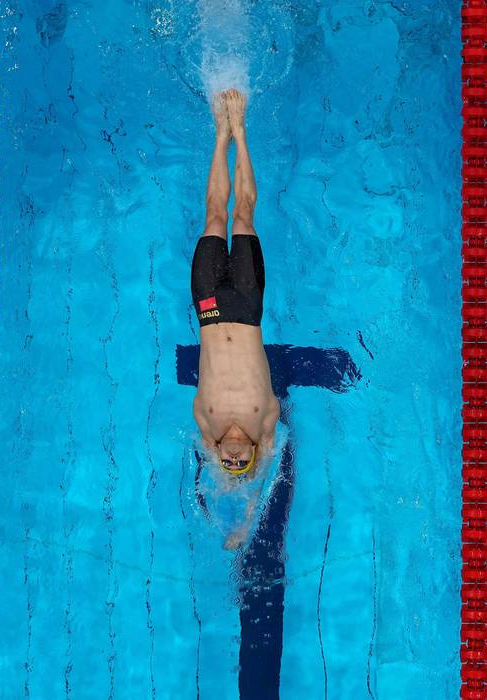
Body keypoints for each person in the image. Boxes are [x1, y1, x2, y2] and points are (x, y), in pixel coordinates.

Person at [191, 89, 280, 546]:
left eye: (226, 463)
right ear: (250, 455)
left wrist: (232, 519)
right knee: (242, 218)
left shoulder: (206, 423)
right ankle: (241, 134)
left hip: (208, 310)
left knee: (212, 218)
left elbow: (214, 470)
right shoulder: (264, 423)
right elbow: (265, 476)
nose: (231, 458)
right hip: (246, 308)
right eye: (238, 463)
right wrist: (247, 518)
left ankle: (219, 135)